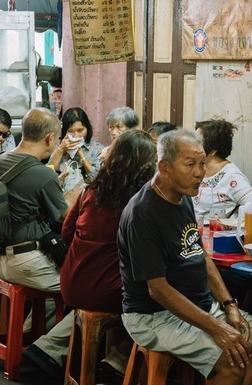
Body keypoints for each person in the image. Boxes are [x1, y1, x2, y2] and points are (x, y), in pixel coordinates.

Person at [118, 129, 252, 383]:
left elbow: (200, 255)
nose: (199, 172)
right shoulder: (142, 213)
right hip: (153, 315)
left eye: (202, 163)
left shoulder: (183, 198)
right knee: (233, 363)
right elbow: (157, 290)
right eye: (190, 164)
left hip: (200, 305)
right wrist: (217, 329)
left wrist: (230, 305)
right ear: (165, 167)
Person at [24, 130, 157, 379]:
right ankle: (121, 358)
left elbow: (66, 233)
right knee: (159, 295)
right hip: (108, 290)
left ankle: (53, 350)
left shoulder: (91, 190)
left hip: (71, 282)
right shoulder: (143, 200)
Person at [0, 108, 80, 296]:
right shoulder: (43, 173)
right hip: (26, 261)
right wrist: (73, 197)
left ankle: (25, 324)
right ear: (50, 138)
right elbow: (67, 218)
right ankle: (33, 327)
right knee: (79, 289)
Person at [193, 119, 252, 219]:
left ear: (213, 150)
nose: (191, 144)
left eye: (197, 141)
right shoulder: (195, 169)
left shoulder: (231, 175)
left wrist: (232, 225)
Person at [48, 107, 104, 183]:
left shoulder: (98, 149)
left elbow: (98, 179)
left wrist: (81, 155)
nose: (76, 135)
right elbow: (48, 174)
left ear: (87, 128)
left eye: (80, 130)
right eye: (70, 131)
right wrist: (61, 149)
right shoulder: (58, 147)